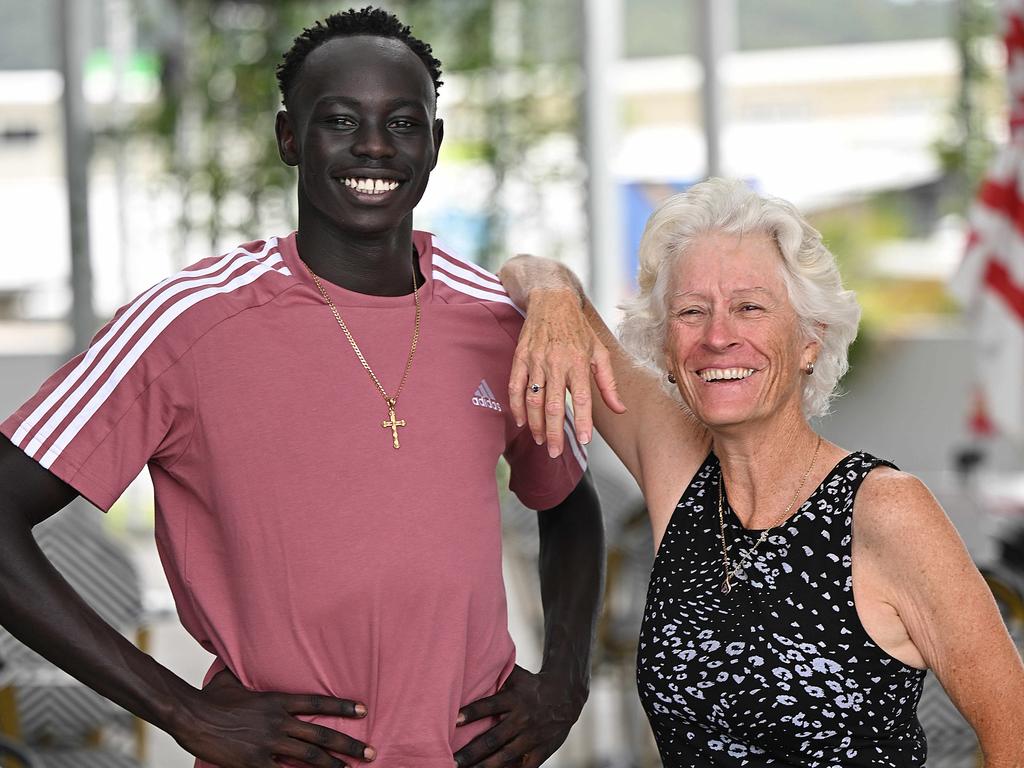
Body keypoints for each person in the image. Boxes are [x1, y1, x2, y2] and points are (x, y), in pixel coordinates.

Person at [0, 8, 605, 768]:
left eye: (404, 123)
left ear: (436, 146)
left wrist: (566, 681)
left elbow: (567, 499)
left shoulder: (493, 321)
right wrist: (179, 709)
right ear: (290, 138)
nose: (376, 146)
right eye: (341, 120)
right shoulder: (188, 322)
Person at [498, 177, 1024, 767]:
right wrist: (551, 300)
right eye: (691, 312)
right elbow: (527, 272)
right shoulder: (682, 481)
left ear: (809, 340)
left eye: (750, 307)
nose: (718, 337)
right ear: (666, 350)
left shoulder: (885, 509)